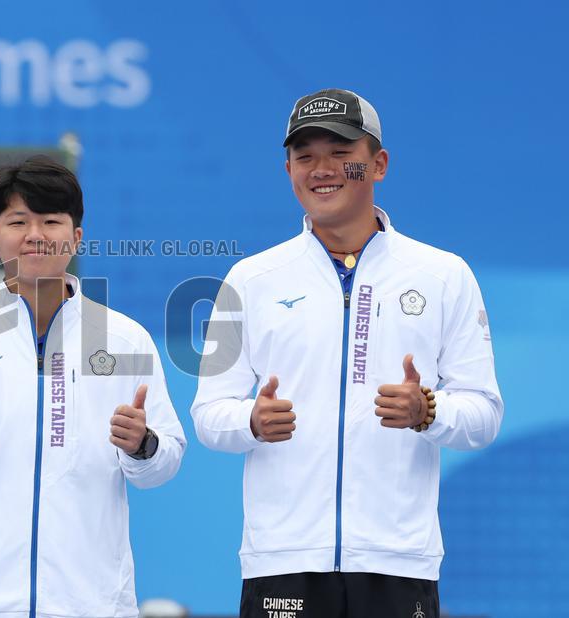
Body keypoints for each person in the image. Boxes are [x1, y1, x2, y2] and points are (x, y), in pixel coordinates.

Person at [191, 89, 502, 618]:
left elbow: (484, 413)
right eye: (305, 156)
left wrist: (429, 411)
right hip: (283, 557)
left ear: (378, 164)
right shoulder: (250, 279)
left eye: (340, 153)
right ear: (288, 170)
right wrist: (250, 421)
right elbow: (207, 413)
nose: (322, 169)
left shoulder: (444, 275)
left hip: (398, 560)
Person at [0, 155, 186, 618]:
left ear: (76, 237)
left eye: (51, 221)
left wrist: (143, 445)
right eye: (19, 221)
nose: (35, 234)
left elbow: (163, 465)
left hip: (90, 606)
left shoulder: (125, 340)